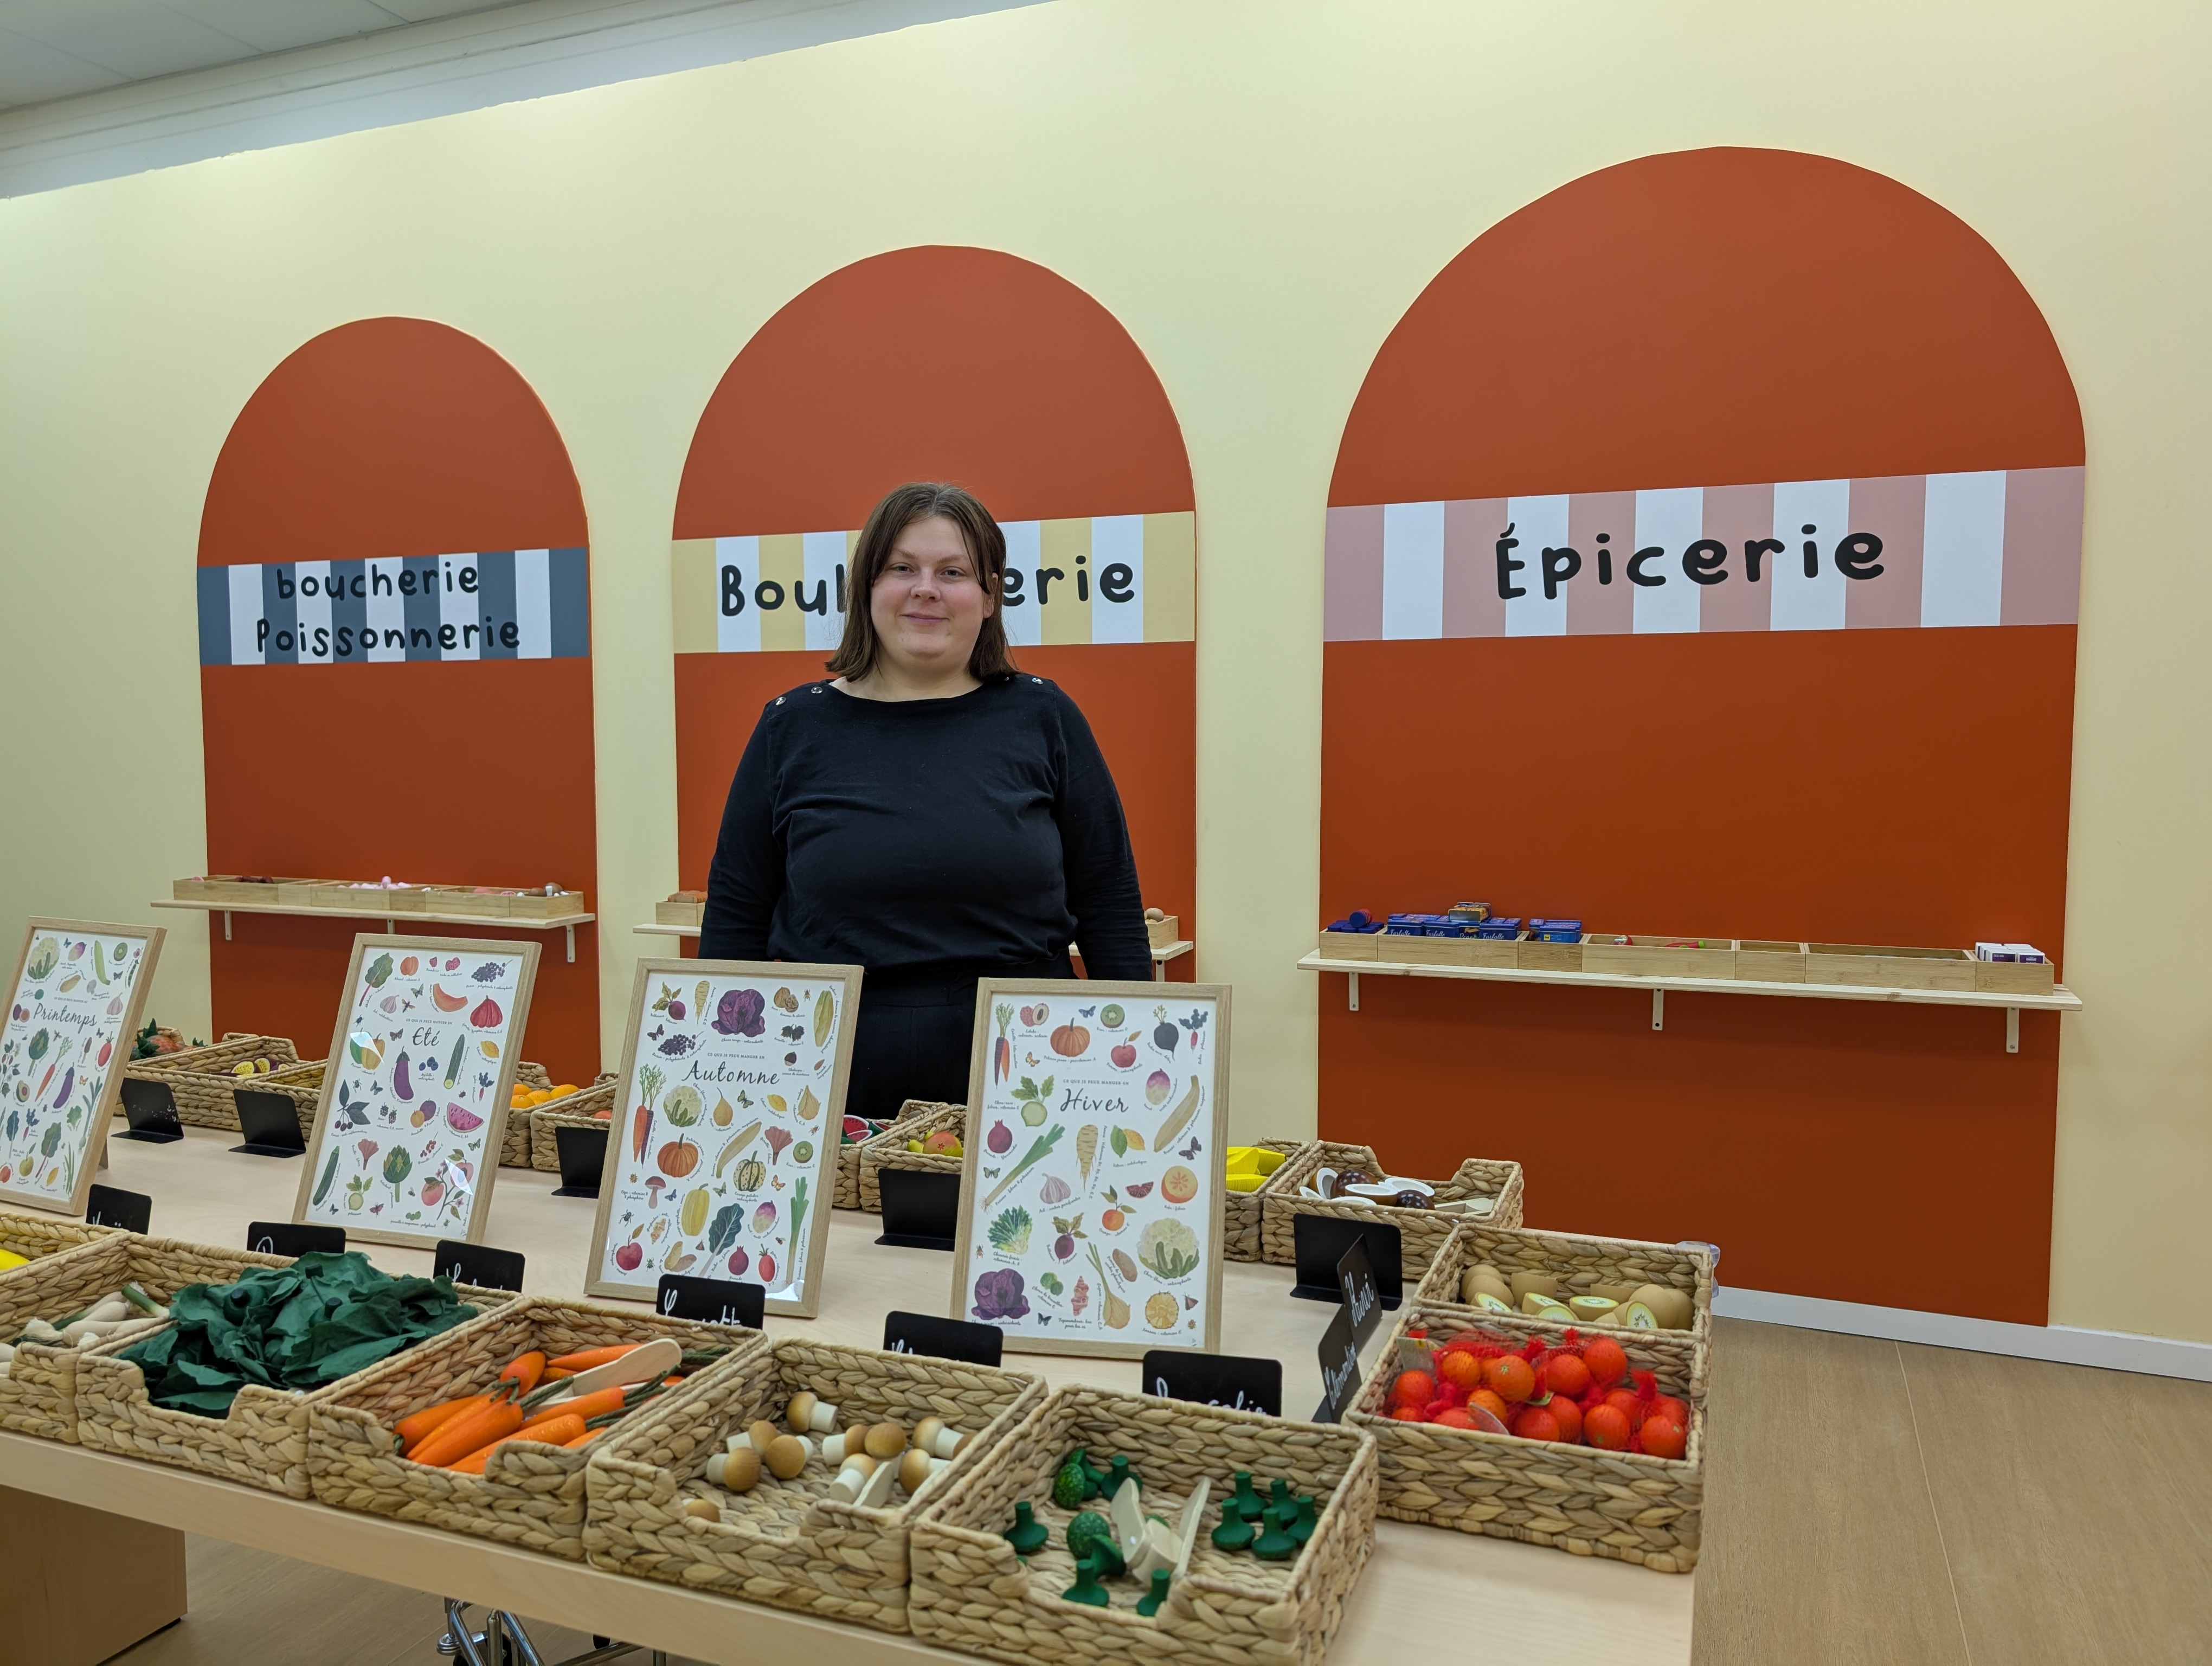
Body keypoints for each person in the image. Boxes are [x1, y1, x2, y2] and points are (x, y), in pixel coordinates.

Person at [699, 481, 1153, 1122]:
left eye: (953, 572)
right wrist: (724, 1080)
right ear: (866, 588)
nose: (926, 589)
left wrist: (1134, 1063)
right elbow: (736, 917)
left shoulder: (1045, 716)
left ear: (990, 596)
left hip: (1032, 1064)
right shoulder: (790, 727)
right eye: (902, 568)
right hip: (827, 1063)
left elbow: (1108, 901)